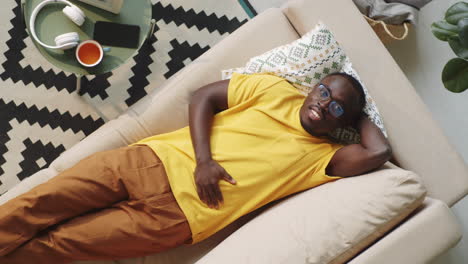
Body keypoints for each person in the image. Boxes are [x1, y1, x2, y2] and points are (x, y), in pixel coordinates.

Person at [0, 72, 391, 263]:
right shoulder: (274, 89)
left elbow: (378, 152)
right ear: (314, 84)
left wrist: (358, 114)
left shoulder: (322, 157)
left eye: (336, 106)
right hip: (147, 161)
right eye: (324, 90)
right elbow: (203, 97)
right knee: (39, 203)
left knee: (58, 247)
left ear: (343, 122)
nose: (323, 103)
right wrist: (205, 160)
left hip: (175, 218)